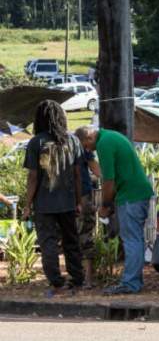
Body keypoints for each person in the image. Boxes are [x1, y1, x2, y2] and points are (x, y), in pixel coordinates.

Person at [76, 126, 154, 295]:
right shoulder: (111, 136)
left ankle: (130, 283)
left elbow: (108, 180)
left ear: (89, 138)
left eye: (86, 146)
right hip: (135, 193)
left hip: (131, 195)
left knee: (131, 240)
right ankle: (134, 281)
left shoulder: (104, 143)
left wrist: (105, 205)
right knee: (135, 239)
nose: (88, 150)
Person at [23, 101, 85, 295]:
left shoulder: (37, 143)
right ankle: (77, 280)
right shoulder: (73, 141)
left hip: (44, 204)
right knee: (71, 241)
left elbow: (33, 177)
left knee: (48, 243)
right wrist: (78, 201)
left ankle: (57, 282)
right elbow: (77, 175)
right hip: (67, 201)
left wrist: (27, 205)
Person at [77, 147, 102, 288]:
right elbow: (98, 171)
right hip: (83, 196)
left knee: (70, 238)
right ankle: (88, 279)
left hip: (63, 198)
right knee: (86, 237)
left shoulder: (56, 146)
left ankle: (75, 277)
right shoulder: (82, 147)